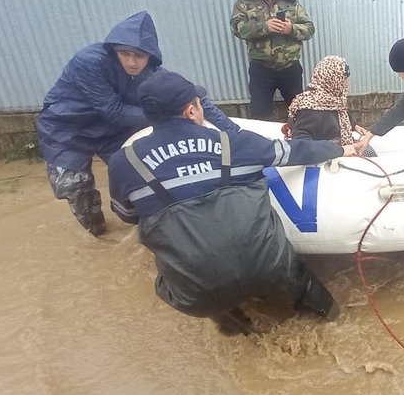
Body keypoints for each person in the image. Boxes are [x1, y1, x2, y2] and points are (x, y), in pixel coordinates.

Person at [107, 71, 356, 335]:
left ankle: (239, 329)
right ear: (191, 111)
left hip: (197, 293)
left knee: (166, 278)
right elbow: (296, 151)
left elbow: (129, 216)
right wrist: (340, 149)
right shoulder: (235, 143)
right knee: (298, 280)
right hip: (268, 268)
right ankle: (336, 322)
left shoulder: (124, 163)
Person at [36, 11, 239, 237]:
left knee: (141, 176)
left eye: (139, 56)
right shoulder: (89, 62)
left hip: (113, 132)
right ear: (114, 50)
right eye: (125, 54)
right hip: (67, 128)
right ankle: (97, 231)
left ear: (150, 56)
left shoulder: (153, 73)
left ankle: (147, 228)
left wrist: (233, 133)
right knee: (73, 187)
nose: (132, 63)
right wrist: (171, 114)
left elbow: (196, 99)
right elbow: (113, 110)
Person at [230, 0, 315, 120]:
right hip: (261, 70)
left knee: (300, 114)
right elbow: (236, 28)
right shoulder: (244, 2)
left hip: (290, 68)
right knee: (260, 116)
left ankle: (300, 143)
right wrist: (264, 27)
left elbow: (310, 29)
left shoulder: (290, 1)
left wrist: (291, 29)